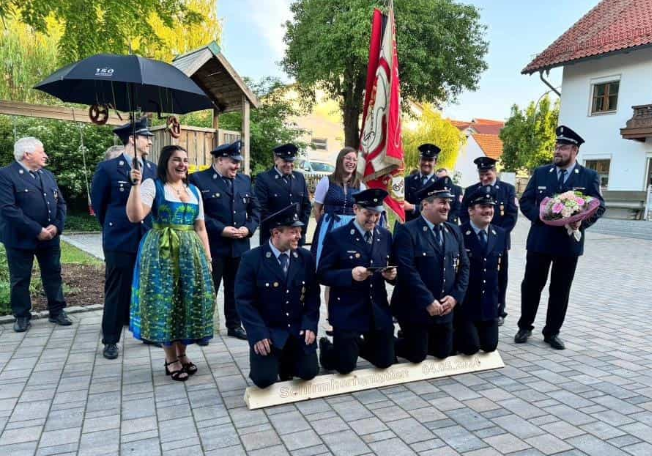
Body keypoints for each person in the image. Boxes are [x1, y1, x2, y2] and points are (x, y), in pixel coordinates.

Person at [126, 145, 215, 381]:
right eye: (176, 159)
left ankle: (182, 353)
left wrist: (207, 257)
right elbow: (135, 216)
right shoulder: (152, 185)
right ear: (166, 162)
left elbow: (200, 227)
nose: (182, 164)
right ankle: (170, 358)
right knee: (165, 302)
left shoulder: (194, 190)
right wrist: (135, 186)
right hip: (161, 252)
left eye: (185, 160)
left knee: (187, 300)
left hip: (190, 254)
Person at [515, 125, 605, 350]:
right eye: (556, 147)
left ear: (575, 151)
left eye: (563, 148)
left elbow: (599, 206)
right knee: (531, 285)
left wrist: (581, 222)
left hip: (568, 244)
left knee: (560, 289)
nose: (557, 151)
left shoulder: (589, 176)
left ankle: (552, 332)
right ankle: (525, 326)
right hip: (540, 240)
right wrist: (541, 217)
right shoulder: (541, 172)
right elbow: (526, 201)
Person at [91, 118, 158, 359]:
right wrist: (114, 227)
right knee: (117, 289)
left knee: (147, 286)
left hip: (146, 236)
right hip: (119, 238)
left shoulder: (153, 169)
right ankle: (110, 339)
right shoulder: (109, 168)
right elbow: (100, 205)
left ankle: (147, 331)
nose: (150, 141)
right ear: (132, 139)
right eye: (146, 137)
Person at [235, 204, 320, 388]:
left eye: (299, 231)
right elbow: (244, 301)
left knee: (309, 372)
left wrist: (310, 325)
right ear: (276, 233)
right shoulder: (252, 259)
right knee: (264, 380)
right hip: (269, 332)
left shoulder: (305, 258)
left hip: (297, 330)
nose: (299, 236)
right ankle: (276, 362)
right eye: (293, 232)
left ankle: (287, 361)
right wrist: (258, 333)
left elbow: (313, 297)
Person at [317, 188, 396, 374]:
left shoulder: (385, 236)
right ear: (355, 209)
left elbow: (393, 266)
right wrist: (349, 275)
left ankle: (353, 346)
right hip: (348, 309)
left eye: (377, 214)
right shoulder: (337, 237)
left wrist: (393, 276)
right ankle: (328, 349)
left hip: (376, 309)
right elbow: (322, 274)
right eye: (368, 214)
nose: (373, 219)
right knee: (345, 367)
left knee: (385, 361)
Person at [189, 140, 260, 341]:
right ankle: (201, 328)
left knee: (236, 288)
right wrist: (221, 229)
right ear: (220, 160)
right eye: (233, 162)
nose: (237, 166)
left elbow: (256, 209)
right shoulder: (198, 180)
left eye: (238, 162)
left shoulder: (244, 180)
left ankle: (234, 325)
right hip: (213, 245)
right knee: (208, 288)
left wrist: (248, 228)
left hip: (239, 245)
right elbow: (196, 214)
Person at [392, 178, 469, 362]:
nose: (447, 207)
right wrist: (428, 301)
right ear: (425, 205)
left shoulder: (454, 231)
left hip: (444, 307)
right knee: (417, 355)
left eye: (448, 202)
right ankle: (383, 343)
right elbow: (408, 271)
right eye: (442, 202)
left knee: (443, 353)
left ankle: (415, 337)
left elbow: (464, 266)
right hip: (415, 306)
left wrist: (455, 297)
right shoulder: (407, 231)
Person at [0, 137, 72, 332]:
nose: (45, 155)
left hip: (50, 237)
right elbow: (8, 208)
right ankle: (22, 316)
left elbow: (61, 203)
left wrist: (56, 226)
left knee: (53, 274)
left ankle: (57, 311)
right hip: (20, 238)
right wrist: (37, 230)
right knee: (20, 278)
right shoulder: (5, 175)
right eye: (42, 151)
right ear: (27, 154)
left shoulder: (47, 175)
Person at [460, 157, 517, 326]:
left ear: (495, 171)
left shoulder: (507, 189)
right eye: (481, 174)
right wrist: (472, 234)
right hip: (473, 241)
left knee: (499, 276)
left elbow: (511, 216)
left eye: (488, 174)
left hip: (498, 242)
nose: (484, 178)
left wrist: (497, 236)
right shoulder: (471, 190)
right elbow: (464, 214)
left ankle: (499, 309)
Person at [455, 185, 506, 355]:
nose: (488, 211)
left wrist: (500, 304)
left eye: (491, 206)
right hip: (465, 305)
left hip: (488, 304)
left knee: (490, 346)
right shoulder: (458, 233)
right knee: (471, 348)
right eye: (483, 206)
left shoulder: (500, 234)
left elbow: (502, 274)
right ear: (471, 210)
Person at [311, 146, 366, 265]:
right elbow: (317, 208)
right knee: (328, 259)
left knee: (349, 259)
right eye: (348, 158)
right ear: (340, 160)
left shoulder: (360, 185)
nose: (351, 162)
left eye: (354, 160)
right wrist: (323, 225)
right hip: (330, 225)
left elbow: (363, 210)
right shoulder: (326, 181)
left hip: (352, 227)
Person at [254, 143, 311, 246]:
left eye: (291, 161)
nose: (289, 165)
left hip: (297, 237)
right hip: (274, 236)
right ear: (276, 160)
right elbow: (261, 208)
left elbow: (306, 206)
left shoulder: (299, 177)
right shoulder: (264, 179)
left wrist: (300, 229)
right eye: (285, 161)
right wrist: (281, 230)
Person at [403, 143, 439, 222]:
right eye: (424, 159)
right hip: (408, 224)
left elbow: (436, 209)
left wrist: (413, 207)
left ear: (435, 163)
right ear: (419, 160)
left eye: (430, 160)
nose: (426, 163)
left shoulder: (439, 184)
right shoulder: (407, 180)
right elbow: (401, 204)